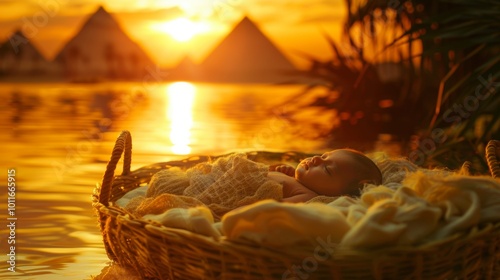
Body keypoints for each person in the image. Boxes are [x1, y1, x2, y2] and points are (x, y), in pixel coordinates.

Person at [268, 149, 382, 203]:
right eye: (324, 156)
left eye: (327, 169)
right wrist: (288, 173)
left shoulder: (307, 196)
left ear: (341, 194)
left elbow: (273, 206)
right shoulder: (298, 180)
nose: (316, 159)